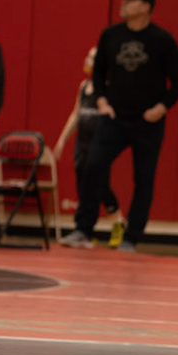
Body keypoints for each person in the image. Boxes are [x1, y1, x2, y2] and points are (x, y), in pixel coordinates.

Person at [61, 0, 178, 252]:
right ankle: (83, 229)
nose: (125, 4)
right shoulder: (111, 35)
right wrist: (102, 101)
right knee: (93, 165)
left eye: (131, 0)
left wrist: (162, 107)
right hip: (115, 118)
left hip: (148, 122)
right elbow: (98, 73)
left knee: (144, 178)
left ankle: (131, 236)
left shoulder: (163, 40)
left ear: (145, 7)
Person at [51, 48, 123, 245]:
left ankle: (115, 224)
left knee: (101, 186)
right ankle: (84, 230)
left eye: (92, 57)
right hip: (81, 144)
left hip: (99, 144)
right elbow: (76, 114)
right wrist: (62, 140)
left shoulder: (109, 88)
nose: (87, 59)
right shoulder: (84, 86)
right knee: (83, 185)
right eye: (88, 56)